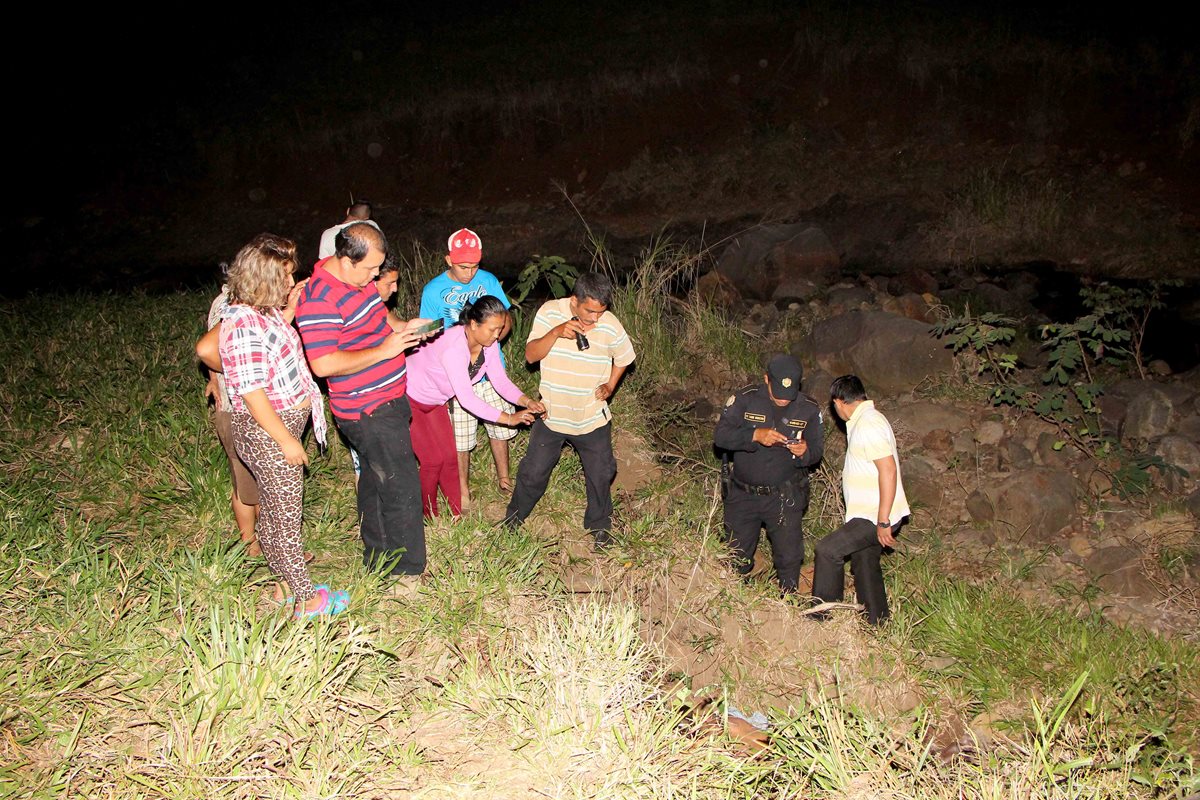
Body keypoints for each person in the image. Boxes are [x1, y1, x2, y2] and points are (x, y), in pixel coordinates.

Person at [213, 233, 344, 618]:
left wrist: (290, 309)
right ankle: (306, 599)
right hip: (269, 433)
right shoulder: (241, 326)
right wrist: (287, 440)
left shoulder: (261, 313)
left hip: (277, 428)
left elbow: (274, 343)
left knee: (272, 514)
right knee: (286, 520)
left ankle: (282, 585)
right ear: (265, 279)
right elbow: (253, 394)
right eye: (285, 277)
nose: (290, 282)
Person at [295, 222, 432, 580]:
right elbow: (323, 363)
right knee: (402, 485)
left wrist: (401, 328)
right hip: (366, 408)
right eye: (370, 269)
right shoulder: (319, 299)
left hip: (386, 398)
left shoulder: (359, 283)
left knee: (375, 481)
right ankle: (408, 572)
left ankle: (378, 559)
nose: (376, 276)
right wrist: (384, 350)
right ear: (345, 258)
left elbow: (380, 316)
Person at [503, 272, 636, 547]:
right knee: (533, 472)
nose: (594, 319)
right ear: (574, 301)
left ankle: (600, 526)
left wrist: (611, 385)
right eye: (589, 311)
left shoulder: (609, 323)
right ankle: (514, 518)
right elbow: (530, 356)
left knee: (601, 474)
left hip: (592, 417)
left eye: (600, 312)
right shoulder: (550, 312)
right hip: (552, 415)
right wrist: (556, 332)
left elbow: (624, 357)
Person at [406, 296, 544, 517]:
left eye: (500, 329)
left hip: (436, 402)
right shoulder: (453, 347)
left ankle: (456, 511)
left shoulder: (487, 343)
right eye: (492, 329)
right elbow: (467, 399)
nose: (497, 335)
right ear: (472, 324)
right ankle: (429, 516)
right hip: (411, 398)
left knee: (449, 457)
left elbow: (500, 381)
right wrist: (509, 418)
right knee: (432, 461)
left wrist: (526, 401)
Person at [419, 228, 518, 506]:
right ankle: (462, 489)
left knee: (500, 424)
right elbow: (429, 330)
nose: (470, 273)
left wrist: (495, 340)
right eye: (464, 266)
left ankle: (504, 478)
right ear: (448, 259)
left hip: (489, 365)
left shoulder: (487, 281)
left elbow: (505, 315)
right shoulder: (433, 290)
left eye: (475, 266)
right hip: (456, 371)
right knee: (461, 434)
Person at [714, 354, 825, 593]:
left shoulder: (808, 409)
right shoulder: (745, 399)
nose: (784, 400)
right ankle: (734, 600)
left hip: (784, 495)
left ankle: (788, 602)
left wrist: (805, 451)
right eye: (778, 393)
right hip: (743, 494)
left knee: (789, 558)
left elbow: (816, 451)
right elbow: (720, 436)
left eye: (790, 394)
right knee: (736, 555)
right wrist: (753, 436)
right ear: (766, 380)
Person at [812, 375, 911, 625]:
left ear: (838, 402)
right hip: (870, 512)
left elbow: (888, 469)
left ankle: (824, 620)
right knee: (864, 561)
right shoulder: (864, 420)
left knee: (828, 550)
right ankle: (877, 624)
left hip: (874, 514)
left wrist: (883, 520)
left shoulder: (868, 424)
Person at [198, 284, 261, 556]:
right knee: (248, 484)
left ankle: (264, 543)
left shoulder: (224, 302)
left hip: (238, 403)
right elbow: (210, 349)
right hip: (239, 408)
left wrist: (214, 380)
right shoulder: (234, 306)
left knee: (254, 480)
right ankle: (252, 545)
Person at [348, 257, 401, 482]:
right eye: (390, 283)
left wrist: (413, 328)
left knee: (387, 467)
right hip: (362, 404)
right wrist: (383, 351)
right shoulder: (352, 308)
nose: (396, 288)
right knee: (368, 468)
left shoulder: (376, 305)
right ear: (372, 280)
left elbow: (395, 324)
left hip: (385, 401)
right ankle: (366, 516)